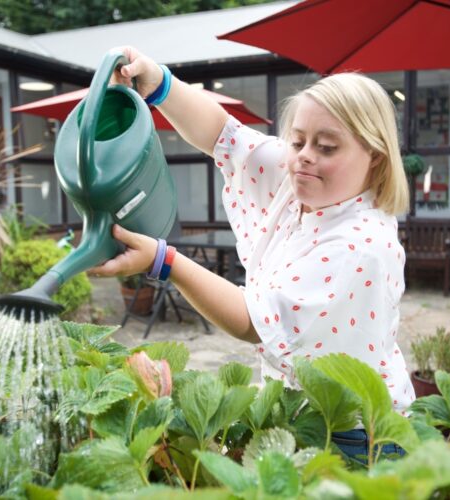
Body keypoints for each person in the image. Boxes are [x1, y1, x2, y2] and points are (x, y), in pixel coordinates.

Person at [89, 46, 415, 463]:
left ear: (375, 157)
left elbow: (252, 320)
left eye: (327, 147)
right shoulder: (305, 175)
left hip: (356, 437)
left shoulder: (362, 245)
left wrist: (163, 260)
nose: (304, 156)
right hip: (305, 412)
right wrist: (158, 83)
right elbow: (223, 136)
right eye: (297, 140)